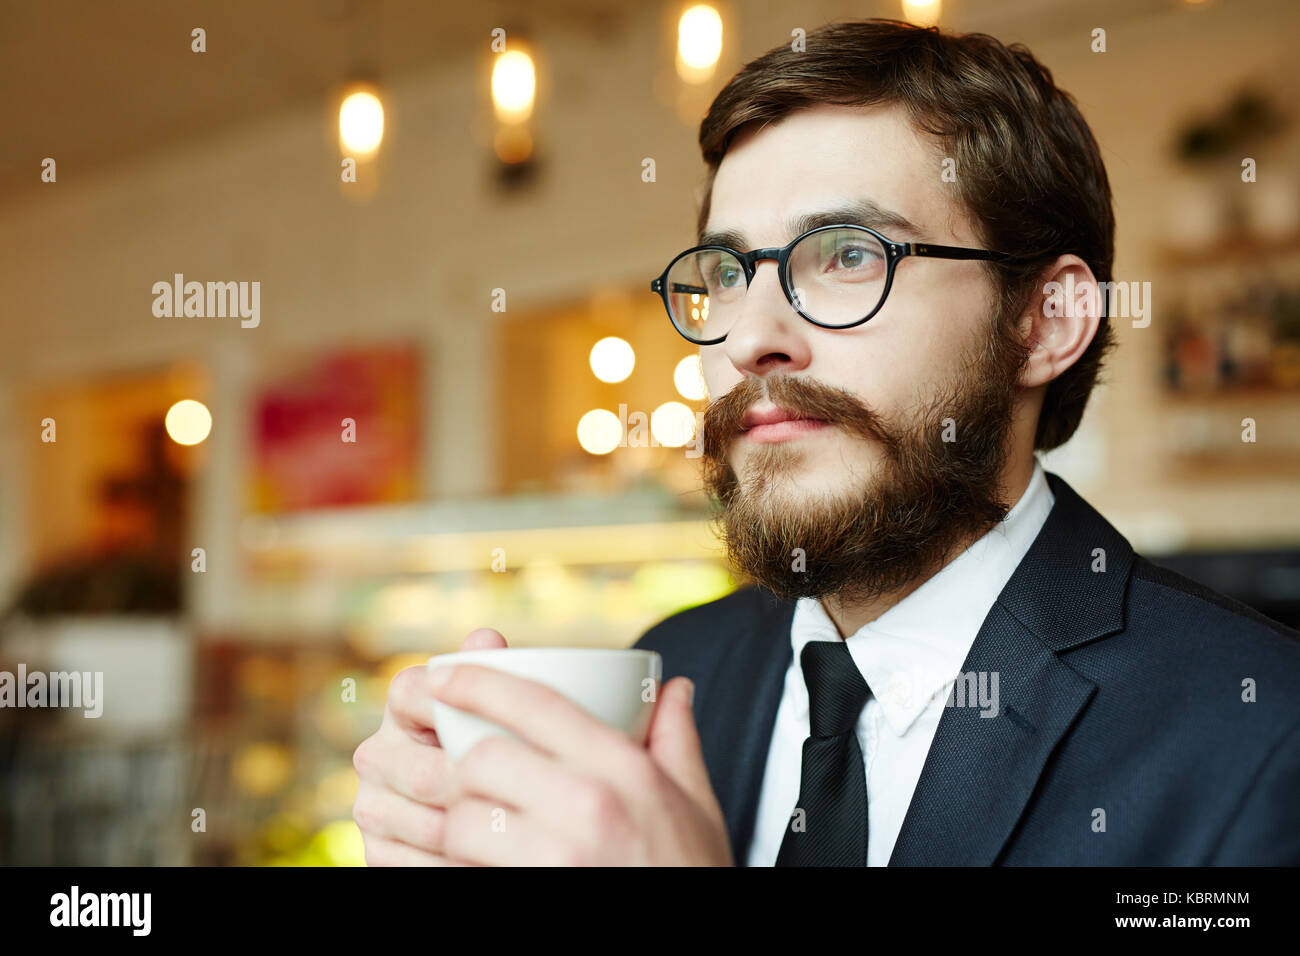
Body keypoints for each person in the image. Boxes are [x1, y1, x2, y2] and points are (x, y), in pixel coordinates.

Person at [352, 19, 1300, 866]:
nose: (750, 336)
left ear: (1045, 323)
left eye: (849, 255)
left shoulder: (1260, 734)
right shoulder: (673, 665)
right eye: (726, 272)